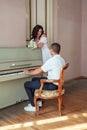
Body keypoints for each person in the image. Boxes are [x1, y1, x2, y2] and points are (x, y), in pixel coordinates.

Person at [23, 43, 65, 112]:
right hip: (58, 83)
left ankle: (33, 106)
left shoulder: (52, 60)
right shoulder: (62, 59)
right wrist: (40, 68)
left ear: (51, 50)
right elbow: (48, 68)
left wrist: (29, 72)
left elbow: (39, 71)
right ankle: (38, 102)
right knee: (34, 79)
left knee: (26, 84)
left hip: (52, 85)